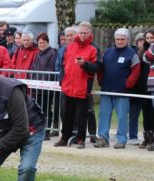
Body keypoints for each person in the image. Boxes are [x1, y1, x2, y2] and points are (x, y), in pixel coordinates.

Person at [54, 21, 100, 149]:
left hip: (82, 87)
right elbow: (64, 65)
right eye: (81, 33)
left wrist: (85, 64)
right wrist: (62, 80)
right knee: (66, 114)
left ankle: (80, 139)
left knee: (81, 115)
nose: (83, 35)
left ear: (90, 33)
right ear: (77, 33)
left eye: (85, 33)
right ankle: (64, 137)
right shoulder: (70, 47)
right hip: (68, 86)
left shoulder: (93, 48)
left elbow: (97, 66)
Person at [95, 28, 140, 149]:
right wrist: (100, 81)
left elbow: (136, 70)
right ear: (114, 39)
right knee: (103, 115)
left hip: (122, 92)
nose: (119, 41)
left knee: (122, 117)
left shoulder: (132, 54)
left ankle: (121, 139)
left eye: (122, 39)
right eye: (117, 39)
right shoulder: (108, 52)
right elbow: (101, 68)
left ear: (127, 40)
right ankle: (103, 138)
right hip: (106, 90)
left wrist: (128, 84)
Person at [30, 32, 57, 140]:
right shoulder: (38, 53)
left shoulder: (52, 53)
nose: (41, 44)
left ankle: (46, 130)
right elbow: (33, 67)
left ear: (47, 42)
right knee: (37, 110)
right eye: (40, 42)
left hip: (46, 87)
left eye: (43, 42)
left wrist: (42, 82)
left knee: (46, 109)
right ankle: (39, 129)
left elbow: (50, 70)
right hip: (36, 87)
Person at [143, 31, 154, 151]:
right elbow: (145, 58)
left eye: (152, 38)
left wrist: (149, 48)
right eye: (148, 38)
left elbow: (148, 56)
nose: (150, 40)